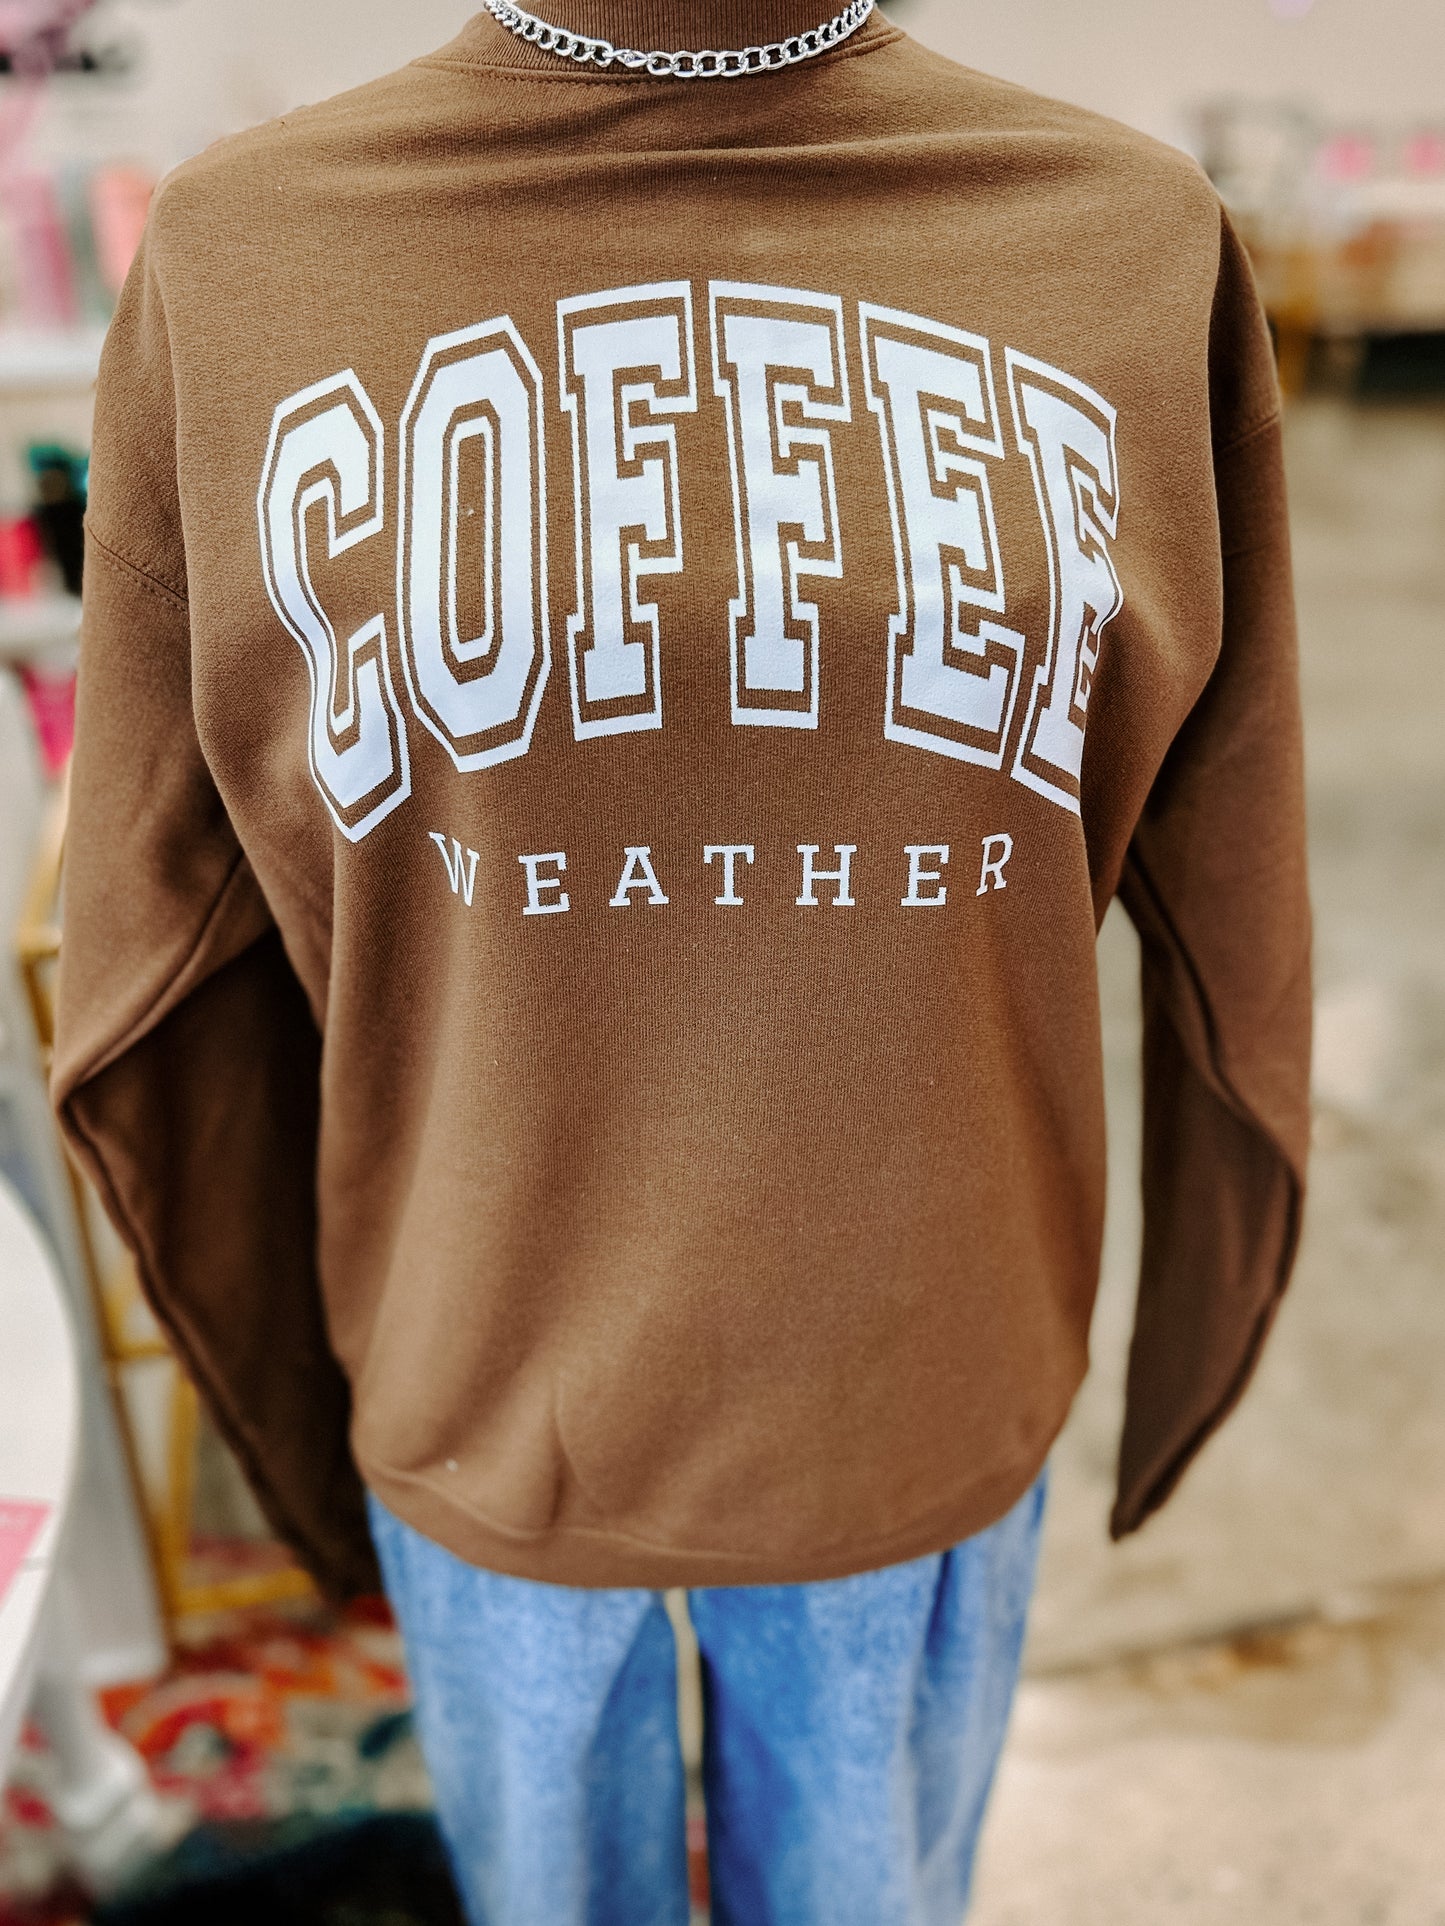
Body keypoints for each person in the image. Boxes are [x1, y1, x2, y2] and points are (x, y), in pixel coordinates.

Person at [53, 2, 1312, 1919]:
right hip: (487, 1363)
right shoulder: (245, 254)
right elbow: (159, 919)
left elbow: (1232, 872)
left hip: (914, 1354)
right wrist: (308, 1388)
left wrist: (1206, 1290)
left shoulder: (1123, 238)